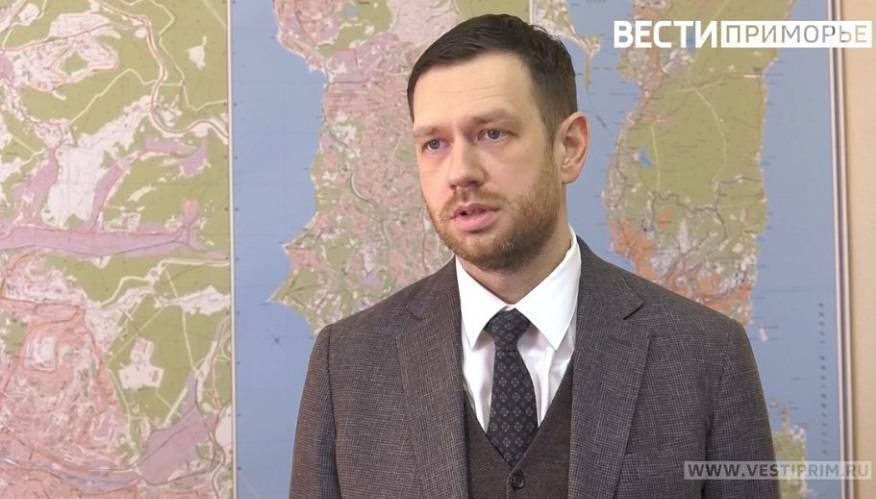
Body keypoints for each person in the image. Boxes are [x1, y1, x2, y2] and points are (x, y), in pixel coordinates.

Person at [290, 13, 777, 499]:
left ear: (570, 147)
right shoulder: (347, 364)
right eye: (434, 143)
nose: (459, 172)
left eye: (492, 133)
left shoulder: (705, 355)